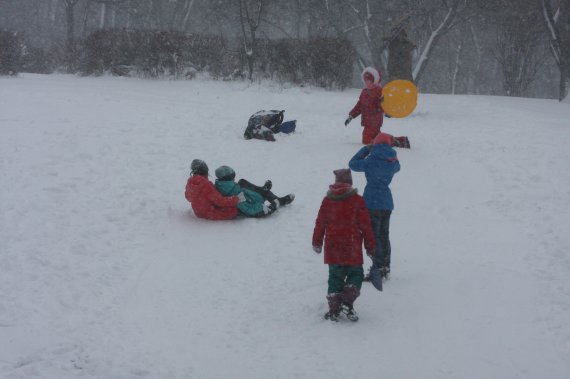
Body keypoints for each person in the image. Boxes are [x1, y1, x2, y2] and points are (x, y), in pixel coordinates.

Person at [312, 169, 376, 322]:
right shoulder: (357, 201)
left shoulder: (328, 201)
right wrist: (370, 247)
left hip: (333, 248)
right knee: (356, 276)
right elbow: (366, 226)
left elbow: (320, 223)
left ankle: (334, 309)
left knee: (335, 278)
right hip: (352, 248)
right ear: (350, 183)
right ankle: (347, 302)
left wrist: (317, 241)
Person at [348, 133, 400, 282]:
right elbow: (398, 166)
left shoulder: (370, 161)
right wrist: (392, 152)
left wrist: (366, 149)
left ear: (375, 144)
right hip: (387, 203)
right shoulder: (392, 161)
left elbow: (352, 163)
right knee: (384, 236)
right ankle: (385, 267)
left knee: (373, 237)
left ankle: (376, 269)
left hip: (371, 202)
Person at [214, 165, 295, 217]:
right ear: (228, 178)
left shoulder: (221, 184)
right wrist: (269, 208)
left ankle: (262, 190)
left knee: (242, 182)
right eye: (232, 176)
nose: (234, 177)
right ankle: (277, 200)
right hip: (254, 201)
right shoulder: (235, 194)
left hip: (246, 194)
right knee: (266, 193)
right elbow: (249, 209)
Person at [344, 67, 385, 145]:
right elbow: (359, 106)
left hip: (374, 121)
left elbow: (382, 105)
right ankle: (395, 141)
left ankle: (384, 144)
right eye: (365, 80)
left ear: (374, 80)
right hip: (368, 121)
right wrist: (351, 116)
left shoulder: (379, 91)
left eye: (369, 81)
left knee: (366, 140)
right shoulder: (364, 91)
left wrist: (383, 106)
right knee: (377, 139)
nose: (367, 82)